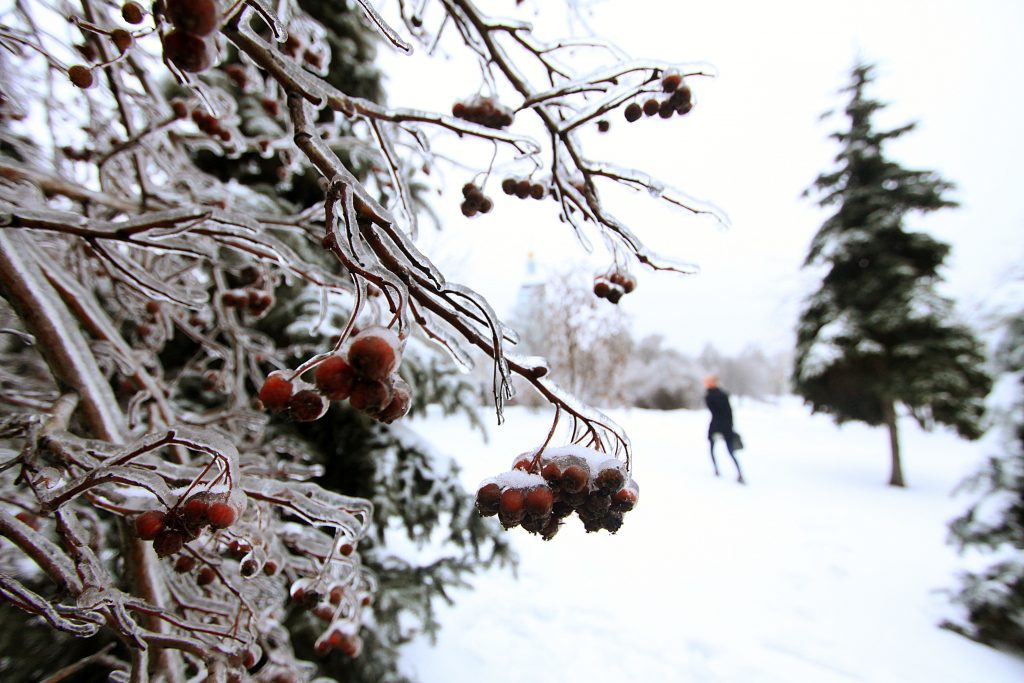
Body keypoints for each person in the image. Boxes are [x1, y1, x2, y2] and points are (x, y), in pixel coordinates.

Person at [704, 374, 745, 484]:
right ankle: (722, 470)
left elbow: (722, 412)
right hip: (725, 427)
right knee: (725, 451)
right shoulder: (720, 394)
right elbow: (728, 413)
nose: (705, 384)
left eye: (707, 382)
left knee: (724, 451)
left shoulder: (712, 396)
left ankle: (735, 473)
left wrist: (724, 428)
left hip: (719, 427)